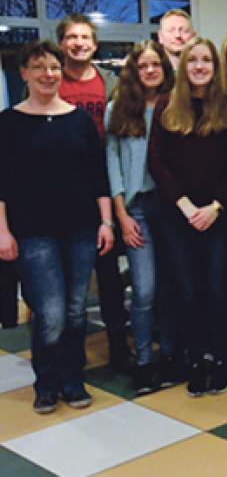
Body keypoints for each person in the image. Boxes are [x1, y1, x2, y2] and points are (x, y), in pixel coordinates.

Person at [0, 41, 115, 414]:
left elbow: (98, 176)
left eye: (53, 67)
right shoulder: (9, 123)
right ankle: (45, 381)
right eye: (38, 67)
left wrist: (107, 222)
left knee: (76, 309)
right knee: (49, 312)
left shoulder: (79, 120)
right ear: (24, 73)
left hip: (81, 227)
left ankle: (72, 379)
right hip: (33, 231)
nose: (48, 74)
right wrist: (2, 232)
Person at [148, 37, 227, 398]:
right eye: (193, 61)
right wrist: (185, 206)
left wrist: (215, 206)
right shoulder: (165, 107)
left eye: (207, 61)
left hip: (220, 214)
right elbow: (157, 161)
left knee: (218, 289)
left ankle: (218, 358)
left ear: (215, 68)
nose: (200, 67)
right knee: (187, 291)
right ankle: (195, 360)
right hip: (178, 215)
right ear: (184, 67)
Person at [55, 14, 132, 374]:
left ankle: (119, 345)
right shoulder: (51, 81)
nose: (79, 43)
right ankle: (69, 350)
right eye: (72, 37)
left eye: (85, 37)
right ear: (61, 44)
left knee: (110, 274)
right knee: (70, 277)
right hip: (69, 189)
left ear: (95, 44)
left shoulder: (111, 83)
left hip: (107, 184)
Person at [105, 40, 176, 395]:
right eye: (143, 66)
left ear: (165, 69)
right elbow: (113, 164)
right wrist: (121, 215)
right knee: (144, 289)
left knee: (171, 286)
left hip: (171, 209)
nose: (150, 71)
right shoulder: (118, 108)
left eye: (156, 65)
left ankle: (172, 357)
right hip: (137, 211)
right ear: (134, 71)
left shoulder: (175, 105)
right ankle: (145, 362)